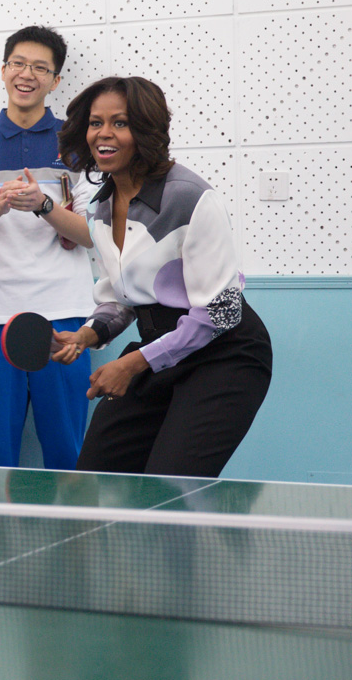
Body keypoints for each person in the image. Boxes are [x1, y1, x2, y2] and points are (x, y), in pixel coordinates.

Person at [51, 76, 272, 478]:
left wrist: (133, 363)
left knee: (173, 488)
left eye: (120, 123)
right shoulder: (99, 210)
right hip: (158, 349)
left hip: (225, 355)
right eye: (96, 122)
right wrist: (86, 335)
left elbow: (221, 314)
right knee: (98, 476)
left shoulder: (190, 198)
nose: (104, 133)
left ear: (147, 130)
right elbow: (122, 299)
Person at [0, 26, 95, 470]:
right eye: (18, 64)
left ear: (56, 81)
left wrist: (44, 205)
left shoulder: (77, 140)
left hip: (65, 313)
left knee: (69, 453)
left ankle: (74, 537)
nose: (27, 75)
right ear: (4, 70)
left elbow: (92, 235)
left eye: (40, 68)